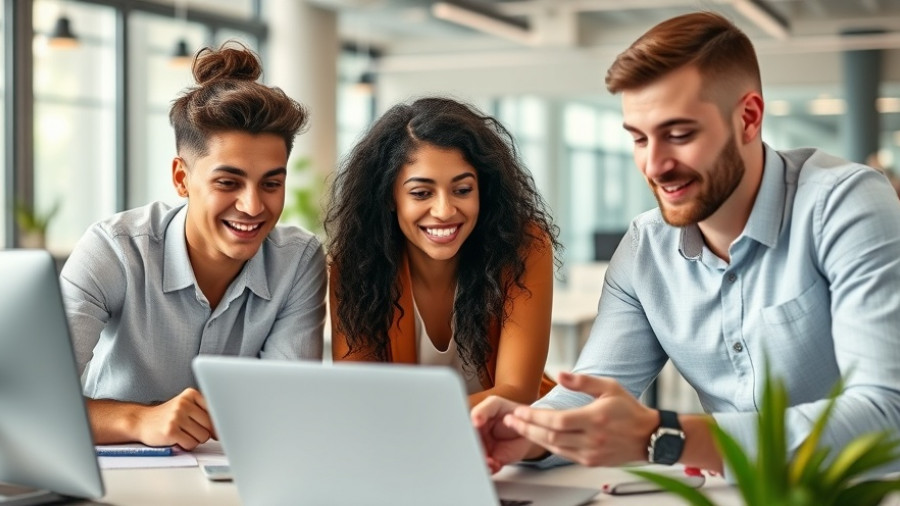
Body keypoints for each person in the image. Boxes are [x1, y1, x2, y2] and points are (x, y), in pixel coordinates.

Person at [472, 11, 900, 477]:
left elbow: (885, 413)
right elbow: (592, 394)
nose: (655, 165)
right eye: (639, 139)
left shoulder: (844, 203)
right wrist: (528, 434)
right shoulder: (645, 249)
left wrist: (669, 437)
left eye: (679, 135)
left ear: (749, 118)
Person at [60, 42, 326, 449]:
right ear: (182, 178)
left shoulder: (299, 261)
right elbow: (30, 401)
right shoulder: (114, 249)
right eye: (228, 182)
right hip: (121, 478)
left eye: (272, 183)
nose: (253, 206)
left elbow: (285, 409)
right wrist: (138, 419)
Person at [325, 97, 560, 408]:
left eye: (462, 190)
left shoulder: (522, 247)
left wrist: (416, 419)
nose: (444, 210)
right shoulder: (356, 267)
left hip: (512, 442)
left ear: (483, 190)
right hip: (401, 447)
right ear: (389, 197)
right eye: (421, 193)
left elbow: (517, 391)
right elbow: (357, 395)